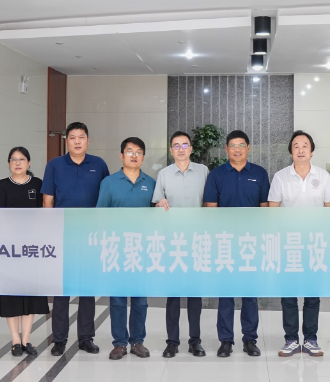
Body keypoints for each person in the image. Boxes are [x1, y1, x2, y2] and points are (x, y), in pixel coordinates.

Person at [42, 122, 110, 356]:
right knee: (62, 289)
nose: (77, 141)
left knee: (87, 288)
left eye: (81, 137)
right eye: (72, 137)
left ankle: (86, 338)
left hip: (91, 236)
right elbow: (48, 200)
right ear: (66, 141)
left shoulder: (99, 165)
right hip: (64, 234)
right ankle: (59, 339)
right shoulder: (55, 165)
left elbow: (106, 198)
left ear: (88, 141)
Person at [269, 131, 330, 358]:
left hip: (315, 244)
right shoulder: (280, 176)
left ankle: (310, 339)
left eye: (305, 145)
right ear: (291, 151)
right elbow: (272, 211)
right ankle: (290, 339)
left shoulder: (323, 176)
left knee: (312, 295)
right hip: (288, 244)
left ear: (312, 151)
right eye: (296, 146)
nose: (300, 150)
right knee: (288, 294)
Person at [204, 130, 270, 357]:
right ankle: (226, 340)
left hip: (251, 243)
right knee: (226, 293)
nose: (237, 149)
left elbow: (265, 210)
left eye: (241, 145)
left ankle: (250, 339)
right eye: (233, 145)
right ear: (226, 149)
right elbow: (210, 211)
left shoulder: (260, 173)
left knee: (250, 293)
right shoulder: (216, 174)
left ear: (248, 148)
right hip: (225, 242)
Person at [97, 137, 155, 360]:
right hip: (116, 249)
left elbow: (157, 216)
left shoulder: (151, 183)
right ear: (121, 155)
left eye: (138, 151)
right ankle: (119, 343)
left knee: (140, 299)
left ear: (143, 156)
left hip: (142, 249)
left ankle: (137, 341)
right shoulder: (109, 182)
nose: (134, 155)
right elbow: (101, 216)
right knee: (118, 300)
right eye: (129, 151)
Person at [153, 131, 210, 358]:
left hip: (197, 241)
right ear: (171, 150)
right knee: (173, 295)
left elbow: (210, 203)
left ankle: (195, 341)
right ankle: (172, 341)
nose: (180, 149)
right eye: (176, 145)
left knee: (195, 294)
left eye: (185, 145)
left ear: (191, 149)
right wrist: (159, 204)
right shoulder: (163, 174)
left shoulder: (204, 171)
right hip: (173, 241)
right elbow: (156, 204)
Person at [0, 147, 49, 357]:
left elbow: (44, 215)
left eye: (22, 159)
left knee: (30, 293)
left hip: (32, 248)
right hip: (10, 249)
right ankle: (15, 340)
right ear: (9, 163)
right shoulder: (3, 185)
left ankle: (26, 339)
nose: (18, 163)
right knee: (11, 294)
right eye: (13, 159)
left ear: (29, 162)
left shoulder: (37, 184)